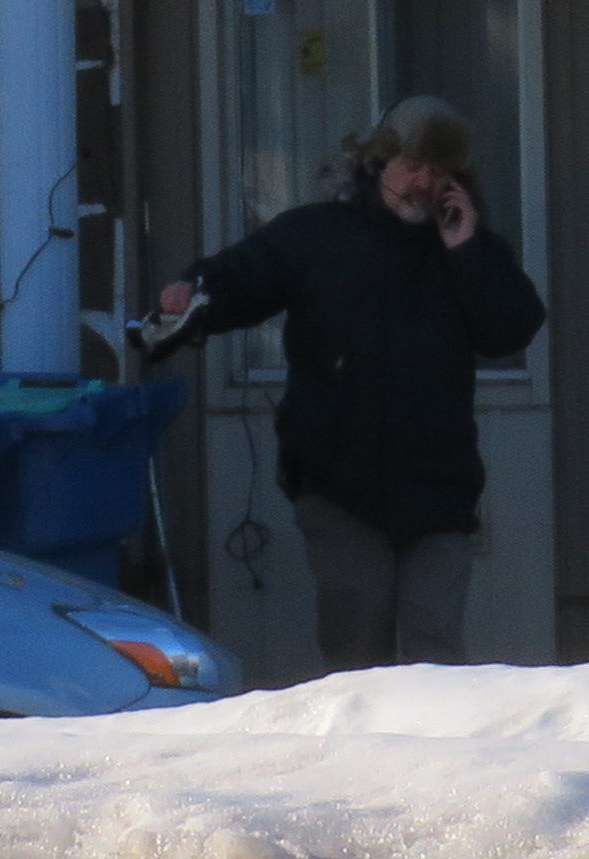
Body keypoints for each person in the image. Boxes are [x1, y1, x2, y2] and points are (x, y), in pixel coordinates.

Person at [152, 98, 544, 669]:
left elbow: (511, 327)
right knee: (358, 644)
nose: (423, 182)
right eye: (412, 165)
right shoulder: (320, 235)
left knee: (437, 650)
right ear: (378, 163)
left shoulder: (468, 249)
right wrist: (191, 292)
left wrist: (468, 251)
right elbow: (245, 274)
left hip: (439, 485)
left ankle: (440, 758)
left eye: (439, 172)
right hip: (339, 482)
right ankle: (362, 757)